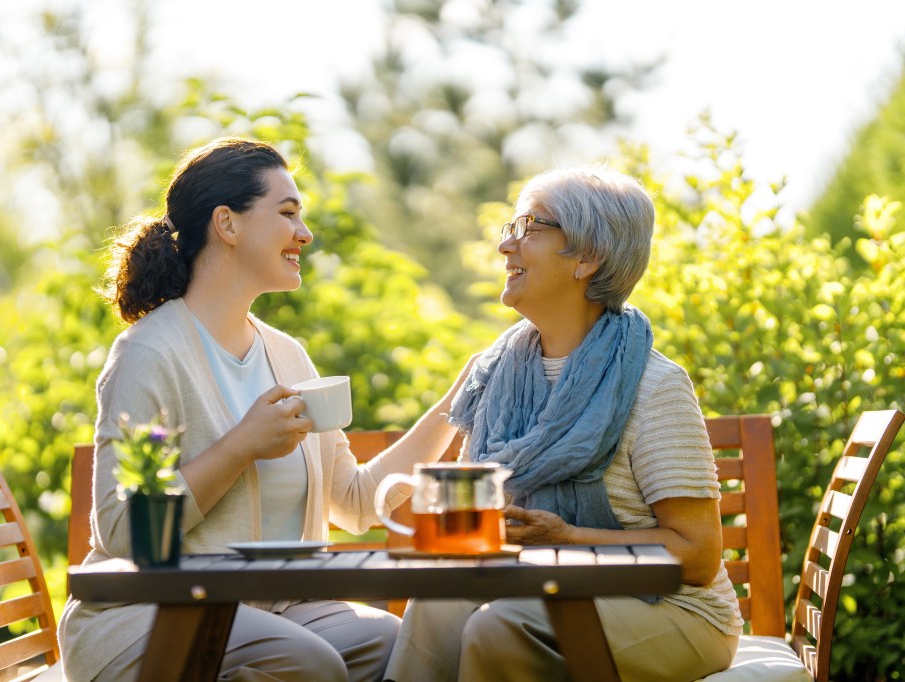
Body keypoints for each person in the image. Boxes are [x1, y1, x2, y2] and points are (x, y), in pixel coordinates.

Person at [57, 137, 469, 682]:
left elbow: (354, 501)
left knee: (393, 644)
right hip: (145, 612)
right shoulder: (149, 354)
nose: (305, 233)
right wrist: (241, 447)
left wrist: (453, 406)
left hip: (267, 609)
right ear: (226, 224)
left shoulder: (287, 355)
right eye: (287, 213)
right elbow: (125, 531)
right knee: (307, 662)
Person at [384, 166, 743, 681]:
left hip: (677, 611)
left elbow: (698, 556)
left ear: (588, 257)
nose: (507, 246)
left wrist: (570, 538)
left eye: (530, 227)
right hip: (542, 591)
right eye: (511, 228)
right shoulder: (498, 375)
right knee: (435, 603)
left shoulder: (653, 384)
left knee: (503, 625)